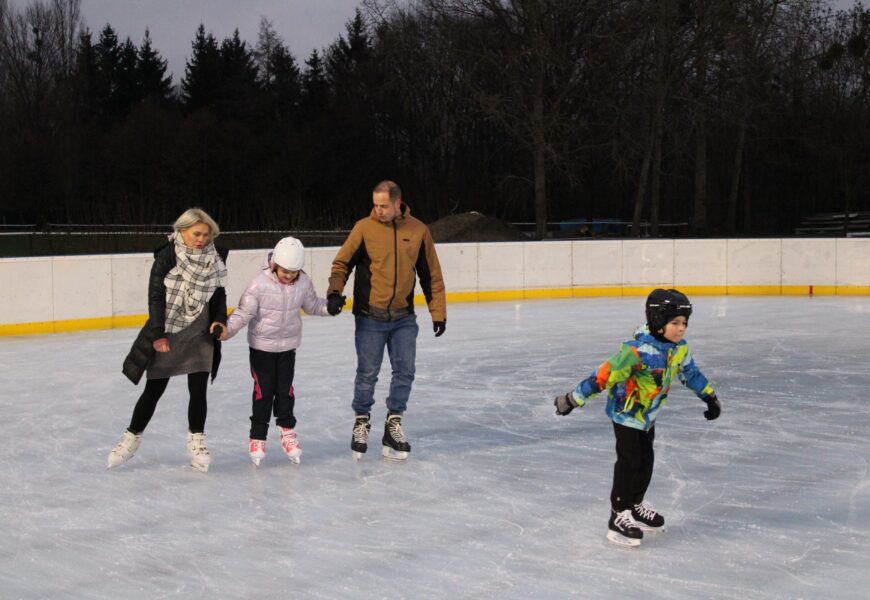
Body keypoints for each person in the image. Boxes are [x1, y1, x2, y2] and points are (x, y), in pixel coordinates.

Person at [553, 288, 721, 547]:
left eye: (684, 323)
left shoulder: (679, 349)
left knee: (646, 462)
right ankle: (618, 514)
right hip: (626, 415)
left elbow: (691, 373)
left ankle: (635, 504)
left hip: (648, 417)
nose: (681, 329)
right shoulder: (636, 351)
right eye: (675, 322)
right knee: (629, 462)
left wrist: (709, 396)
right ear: (657, 322)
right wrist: (572, 399)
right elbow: (604, 377)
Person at [327, 180, 446, 461]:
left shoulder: (418, 231)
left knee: (405, 371)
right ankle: (361, 421)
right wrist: (334, 292)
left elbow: (431, 274)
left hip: (404, 317)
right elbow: (341, 263)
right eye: (375, 204)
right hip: (370, 317)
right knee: (367, 373)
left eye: (383, 205)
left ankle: (394, 423)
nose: (377, 210)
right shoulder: (364, 229)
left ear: (397, 203)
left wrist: (437, 311)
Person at [108, 208, 228, 473]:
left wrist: (220, 319)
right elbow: (155, 297)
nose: (201, 239)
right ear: (182, 231)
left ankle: (196, 442)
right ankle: (131, 438)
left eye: (206, 235)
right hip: (170, 332)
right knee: (154, 390)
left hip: (200, 334)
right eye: (196, 234)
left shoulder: (214, 258)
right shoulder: (166, 257)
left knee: (199, 390)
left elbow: (219, 294)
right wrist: (159, 333)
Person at [218, 236, 331, 466]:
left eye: (294, 272)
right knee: (264, 392)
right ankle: (257, 436)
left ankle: (287, 430)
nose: (290, 276)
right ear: (275, 264)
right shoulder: (259, 284)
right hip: (261, 348)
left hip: (288, 347)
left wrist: (331, 307)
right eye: (285, 271)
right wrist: (226, 331)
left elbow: (312, 305)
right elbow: (243, 313)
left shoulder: (303, 282)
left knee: (285, 390)